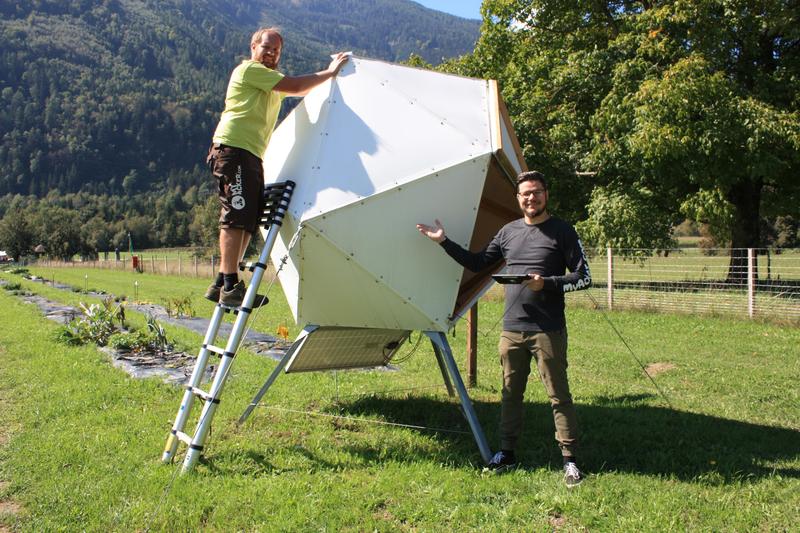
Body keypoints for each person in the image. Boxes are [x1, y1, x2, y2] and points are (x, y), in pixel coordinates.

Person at [416, 171, 591, 487]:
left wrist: (546, 283)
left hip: (547, 329)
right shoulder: (508, 232)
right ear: (518, 199)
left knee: (558, 396)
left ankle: (570, 461)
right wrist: (443, 241)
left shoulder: (562, 231)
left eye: (536, 192)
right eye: (525, 194)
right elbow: (478, 262)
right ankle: (507, 453)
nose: (531, 198)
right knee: (510, 394)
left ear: (545, 195)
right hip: (512, 330)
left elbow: (583, 277)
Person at [205, 28, 349, 307]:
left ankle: (222, 282)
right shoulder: (249, 71)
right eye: (267, 48)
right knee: (236, 213)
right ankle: (231, 285)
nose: (271, 54)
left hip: (251, 155)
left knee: (249, 217)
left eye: (276, 51)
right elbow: (295, 86)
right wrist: (330, 72)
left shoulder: (271, 83)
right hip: (234, 149)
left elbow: (299, 89)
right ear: (253, 46)